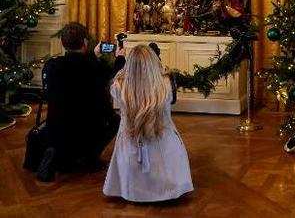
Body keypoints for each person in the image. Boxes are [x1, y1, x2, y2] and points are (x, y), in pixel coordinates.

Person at [103, 44, 193, 202]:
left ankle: (132, 190)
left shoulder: (118, 86)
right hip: (163, 144)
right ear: (154, 63)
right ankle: (167, 190)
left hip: (130, 146)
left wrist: (119, 60)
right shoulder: (167, 85)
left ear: (128, 65)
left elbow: (115, 78)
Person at [36, 22, 124, 182]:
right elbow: (115, 72)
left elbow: (73, 70)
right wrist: (120, 57)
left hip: (57, 128)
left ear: (63, 43)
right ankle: (90, 157)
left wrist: (92, 55)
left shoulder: (52, 65)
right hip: (88, 128)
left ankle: (59, 155)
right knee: (116, 120)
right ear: (85, 42)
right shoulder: (95, 66)